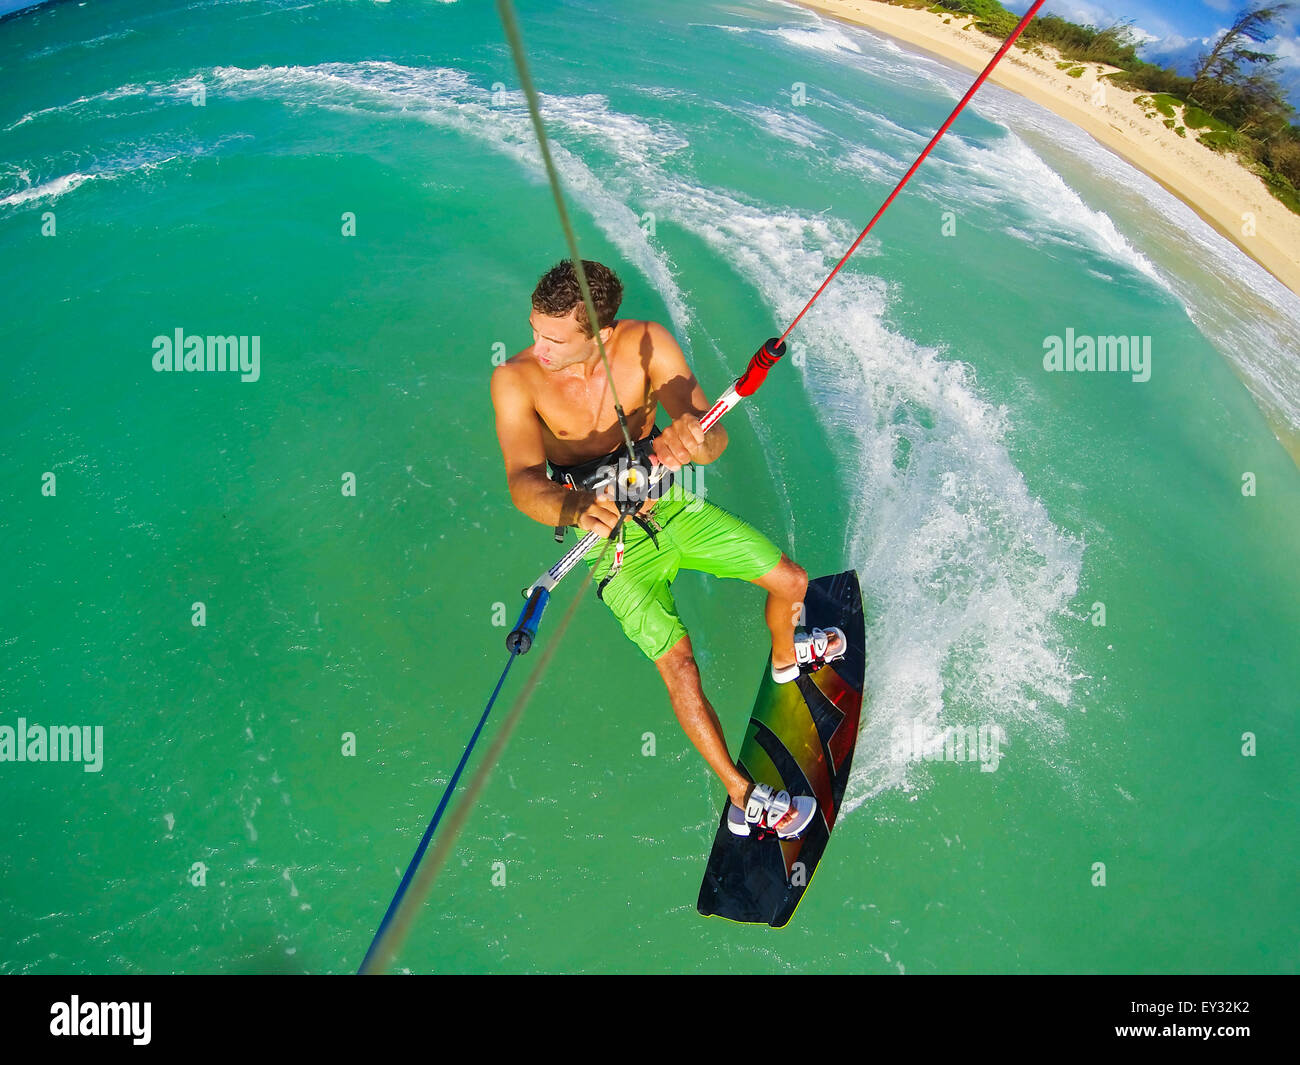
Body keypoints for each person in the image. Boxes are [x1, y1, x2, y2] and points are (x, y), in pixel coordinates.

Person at [490, 259, 844, 838]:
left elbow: (712, 435)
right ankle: (741, 795)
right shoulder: (516, 379)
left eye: (554, 338)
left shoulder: (647, 344)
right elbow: (523, 482)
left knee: (794, 582)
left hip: (674, 512)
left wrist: (695, 439)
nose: (539, 347)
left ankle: (787, 659)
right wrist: (575, 507)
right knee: (678, 666)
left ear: (601, 334)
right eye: (535, 331)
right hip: (613, 546)